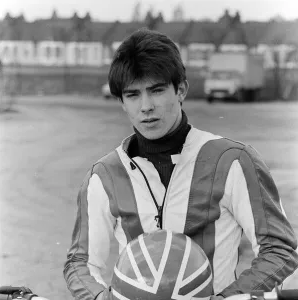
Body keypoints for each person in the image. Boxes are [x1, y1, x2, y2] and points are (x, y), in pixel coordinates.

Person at [63, 28, 298, 300]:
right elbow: (80, 262)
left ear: (181, 89)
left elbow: (279, 249)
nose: (146, 106)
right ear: (122, 102)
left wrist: (229, 298)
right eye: (133, 95)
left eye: (157, 90)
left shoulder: (234, 160)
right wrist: (102, 298)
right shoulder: (103, 176)